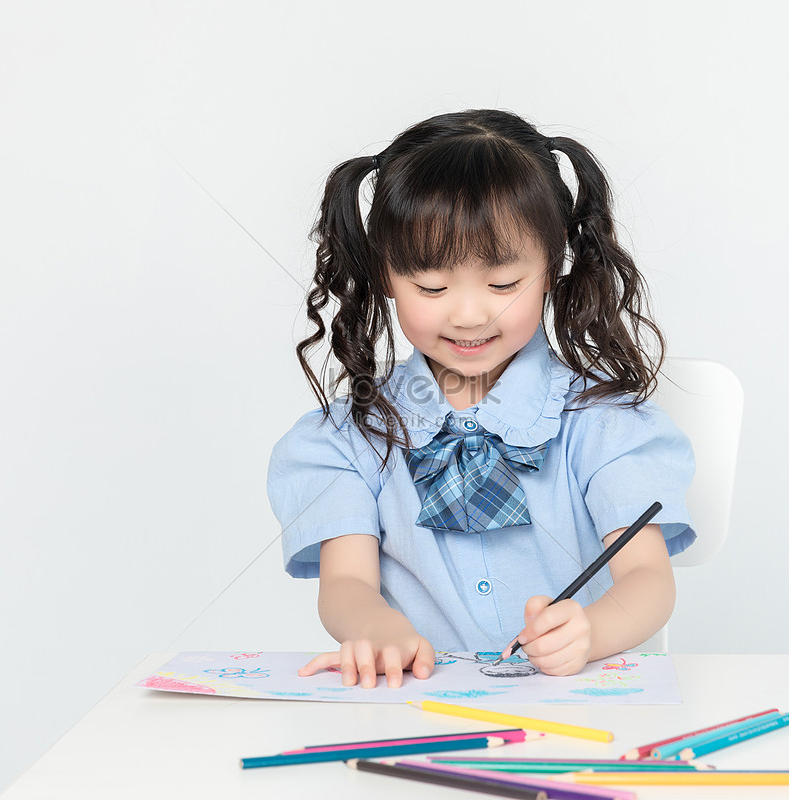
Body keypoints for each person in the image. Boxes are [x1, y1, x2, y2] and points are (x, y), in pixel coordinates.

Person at [266, 109, 696, 689]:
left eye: (502, 284)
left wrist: (591, 629)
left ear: (552, 266)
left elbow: (647, 579)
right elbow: (346, 586)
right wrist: (374, 626)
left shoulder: (605, 425)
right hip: (416, 717)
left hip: (576, 712)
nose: (469, 314)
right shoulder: (350, 437)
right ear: (385, 275)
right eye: (431, 287)